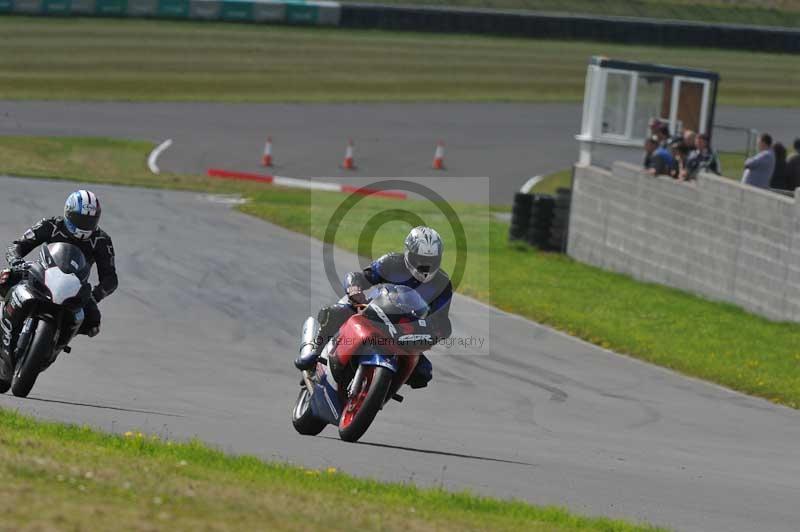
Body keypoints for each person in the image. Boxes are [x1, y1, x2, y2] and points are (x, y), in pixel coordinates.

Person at [295, 226, 452, 390]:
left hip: (405, 331)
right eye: (419, 258)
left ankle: (380, 390)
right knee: (335, 313)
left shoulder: (442, 284)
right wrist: (354, 289)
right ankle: (314, 352)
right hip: (373, 310)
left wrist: (434, 333)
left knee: (423, 374)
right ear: (408, 253)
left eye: (431, 260)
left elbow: (442, 321)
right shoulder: (392, 262)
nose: (425, 265)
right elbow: (359, 277)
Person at [1, 190, 117, 341]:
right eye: (80, 218)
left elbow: (110, 278)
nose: (85, 225)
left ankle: (57, 342)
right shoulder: (51, 225)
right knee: (5, 277)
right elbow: (18, 246)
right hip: (43, 273)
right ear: (68, 213)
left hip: (76, 287)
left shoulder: (102, 240)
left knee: (93, 323)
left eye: (90, 220)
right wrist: (17, 261)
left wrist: (96, 295)